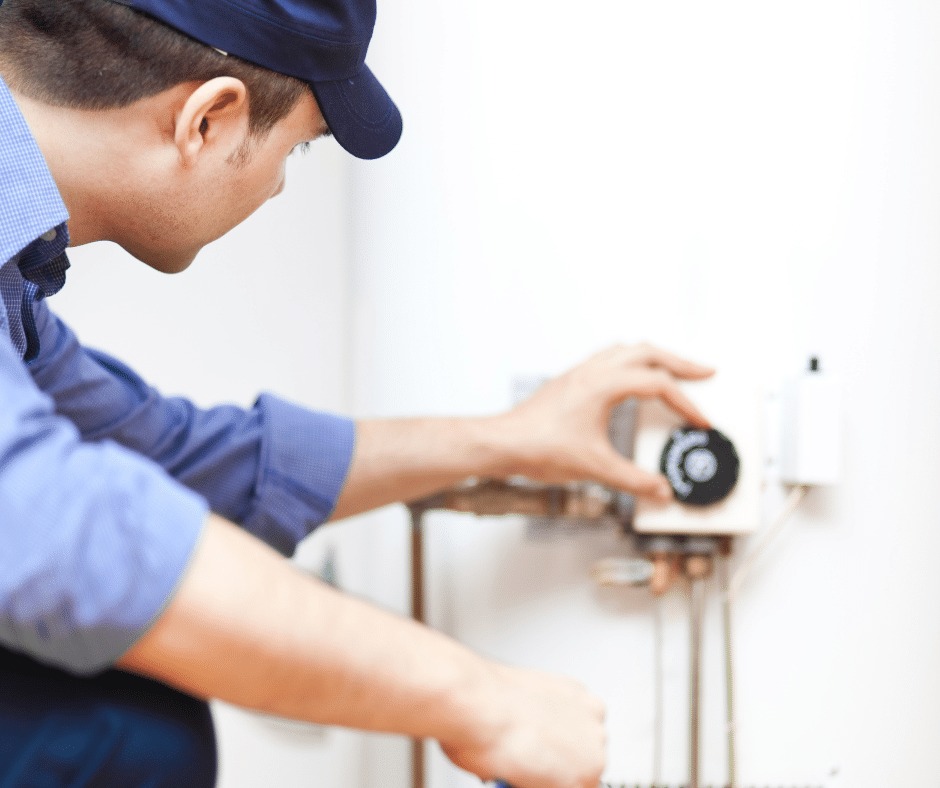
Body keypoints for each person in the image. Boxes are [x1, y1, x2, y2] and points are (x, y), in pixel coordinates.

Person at [0, 1, 714, 786]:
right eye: (300, 147)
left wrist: (509, 439)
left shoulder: (15, 278)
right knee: (115, 728)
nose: (278, 185)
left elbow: (171, 457)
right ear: (207, 120)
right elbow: (55, 530)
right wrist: (483, 700)